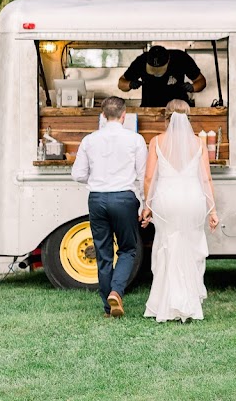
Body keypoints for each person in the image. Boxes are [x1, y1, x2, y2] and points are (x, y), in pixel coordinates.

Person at [140, 99, 219, 322]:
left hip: (167, 199)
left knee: (167, 246)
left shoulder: (156, 141)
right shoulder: (198, 143)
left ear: (166, 117)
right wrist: (212, 210)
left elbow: (148, 178)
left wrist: (148, 205)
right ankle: (189, 302)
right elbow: (205, 178)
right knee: (190, 246)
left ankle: (165, 303)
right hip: (193, 199)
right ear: (188, 117)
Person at [71, 95, 148, 318]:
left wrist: (96, 181)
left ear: (103, 116)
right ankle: (116, 291)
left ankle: (108, 306)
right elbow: (143, 176)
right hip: (124, 198)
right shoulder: (135, 140)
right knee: (128, 249)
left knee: (103, 253)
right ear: (124, 116)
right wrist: (145, 204)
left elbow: (78, 174)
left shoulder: (89, 140)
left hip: (97, 199)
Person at [118, 45, 206, 108]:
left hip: (178, 110)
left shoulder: (180, 58)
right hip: (149, 109)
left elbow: (201, 81)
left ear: (168, 60)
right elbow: (121, 83)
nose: (156, 74)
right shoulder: (141, 61)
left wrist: (192, 87)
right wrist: (130, 84)